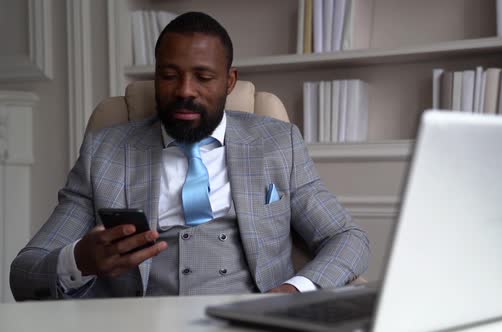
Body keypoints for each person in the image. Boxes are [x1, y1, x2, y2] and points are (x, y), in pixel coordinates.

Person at [10, 12, 369, 300]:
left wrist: (292, 292)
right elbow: (24, 273)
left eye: (203, 77)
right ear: (155, 78)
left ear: (229, 82)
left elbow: (348, 238)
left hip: (250, 320)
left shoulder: (278, 144)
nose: (185, 91)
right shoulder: (105, 153)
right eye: (169, 76)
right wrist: (80, 261)